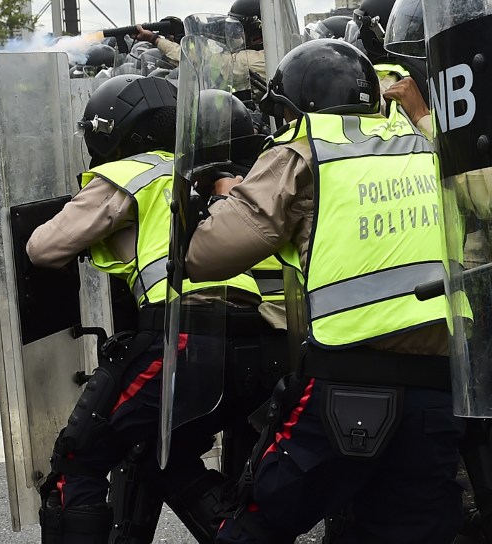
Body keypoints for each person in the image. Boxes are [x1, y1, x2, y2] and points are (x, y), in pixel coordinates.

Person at [184, 39, 465, 543]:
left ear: (298, 107)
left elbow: (209, 255)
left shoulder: (307, 147)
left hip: (345, 384)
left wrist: (225, 200)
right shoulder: (426, 144)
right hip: (438, 387)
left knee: (256, 524)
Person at [29, 74, 286, 543]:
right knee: (161, 455)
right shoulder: (213, 177)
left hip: (184, 341)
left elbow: (44, 248)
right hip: (259, 345)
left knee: (78, 456)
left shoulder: (132, 175)